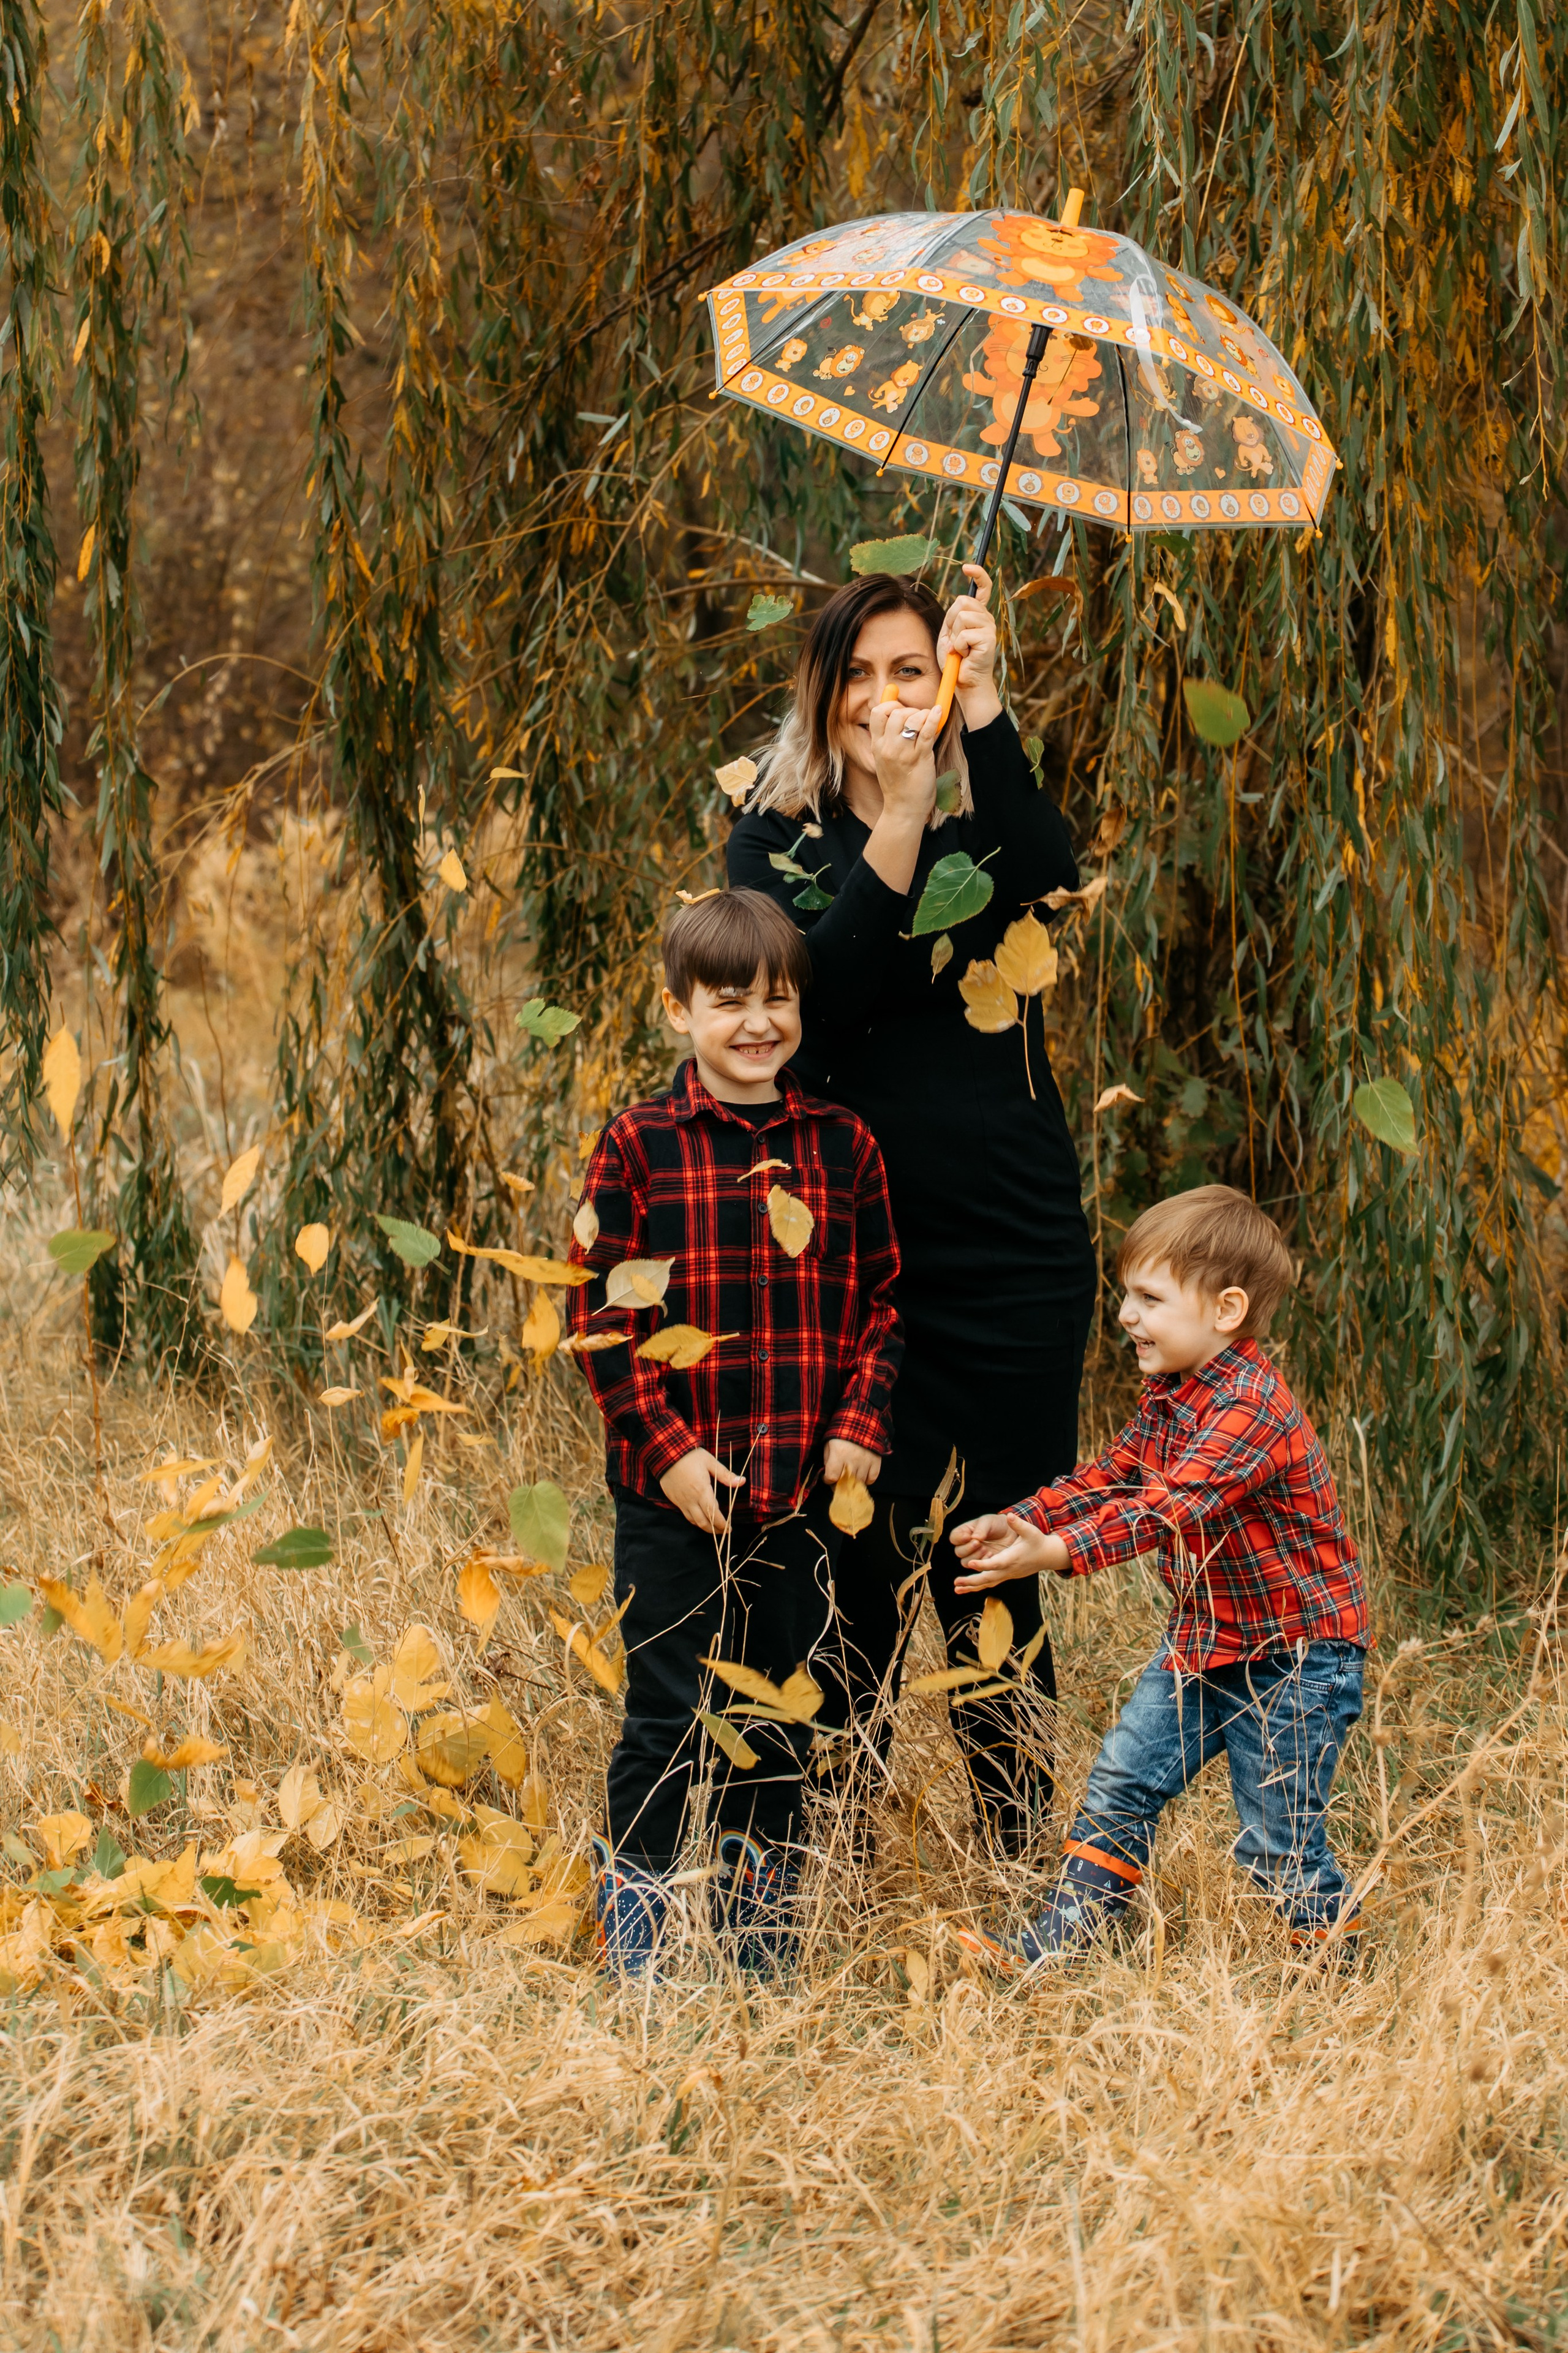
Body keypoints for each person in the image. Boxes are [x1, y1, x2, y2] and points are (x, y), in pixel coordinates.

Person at [727, 563, 1095, 1859]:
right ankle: (825, 1855)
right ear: (824, 697)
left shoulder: (982, 821)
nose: (888, 697)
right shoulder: (768, 837)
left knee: (996, 1555)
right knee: (855, 1563)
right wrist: (895, 817)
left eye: (914, 670)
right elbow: (814, 1007)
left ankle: (1013, 1859)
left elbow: (1052, 866)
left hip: (1012, 1245)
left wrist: (986, 711)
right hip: (860, 1268)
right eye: (863, 675)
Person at [567, 888, 902, 1974]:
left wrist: (858, 1421)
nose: (758, 1024)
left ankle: (759, 1942)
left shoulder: (842, 1147)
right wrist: (665, 1452)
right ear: (678, 1013)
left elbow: (885, 1303)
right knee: (668, 1716)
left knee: (774, 1716)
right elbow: (599, 1318)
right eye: (728, 1003)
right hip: (675, 1497)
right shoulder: (638, 1145)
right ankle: (644, 1939)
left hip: (797, 1495)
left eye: (777, 1000)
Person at [948, 1185, 1369, 1970]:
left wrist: (1057, 1555)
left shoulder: (1251, 1409)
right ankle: (1066, 1938)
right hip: (1207, 1638)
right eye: (1124, 1296)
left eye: (1148, 1298)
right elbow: (1118, 1475)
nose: (1124, 1317)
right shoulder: (1173, 1394)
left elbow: (1166, 1510)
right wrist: (1030, 1518)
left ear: (1226, 1309)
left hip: (1297, 1658)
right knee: (1121, 1780)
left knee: (1277, 1839)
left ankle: (1333, 1965)